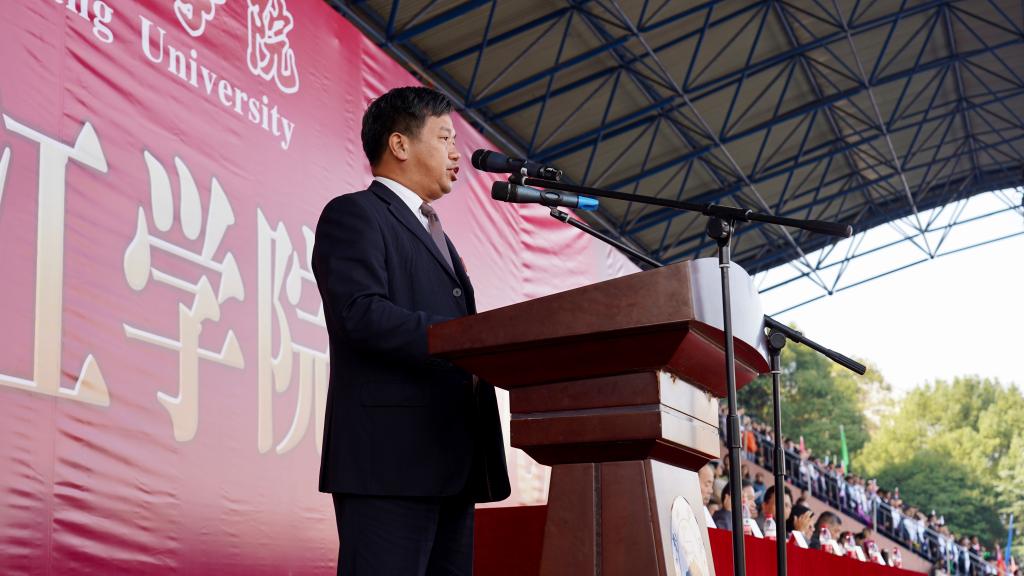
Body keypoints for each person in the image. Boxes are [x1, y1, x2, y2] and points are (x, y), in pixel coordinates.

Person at [312, 86, 510, 575]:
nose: (456, 153)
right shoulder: (355, 213)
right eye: (444, 138)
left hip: (453, 460)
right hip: (389, 463)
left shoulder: (436, 233)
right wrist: (464, 339)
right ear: (400, 144)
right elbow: (359, 313)